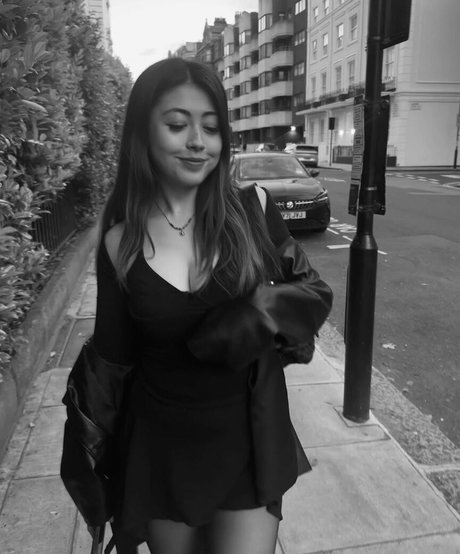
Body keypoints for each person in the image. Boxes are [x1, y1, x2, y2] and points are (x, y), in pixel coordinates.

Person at [89, 58, 332, 554]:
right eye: (177, 124)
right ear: (143, 133)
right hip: (160, 448)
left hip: (246, 440)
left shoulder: (252, 210)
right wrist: (102, 469)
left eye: (212, 127)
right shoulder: (119, 242)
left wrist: (252, 316)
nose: (198, 141)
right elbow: (112, 360)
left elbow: (312, 292)